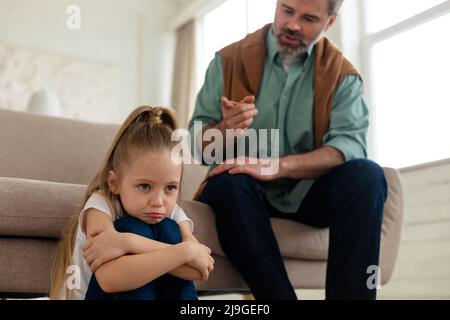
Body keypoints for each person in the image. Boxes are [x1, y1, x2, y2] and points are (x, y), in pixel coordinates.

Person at [188, 0, 387, 300]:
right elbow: (197, 145)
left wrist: (276, 167)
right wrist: (224, 129)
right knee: (225, 182)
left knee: (368, 176)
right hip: (242, 192)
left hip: (308, 194)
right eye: (287, 10)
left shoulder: (342, 75)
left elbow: (350, 145)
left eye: (308, 18)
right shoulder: (227, 61)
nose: (293, 24)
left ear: (329, 22)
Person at [50, 106, 214, 300]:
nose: (158, 202)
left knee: (169, 228)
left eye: (170, 188)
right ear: (114, 183)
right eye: (144, 186)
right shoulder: (100, 207)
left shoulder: (172, 214)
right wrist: (183, 252)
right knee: (131, 226)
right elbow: (109, 279)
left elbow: (198, 269)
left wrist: (127, 242)